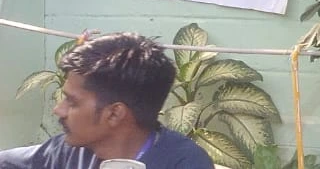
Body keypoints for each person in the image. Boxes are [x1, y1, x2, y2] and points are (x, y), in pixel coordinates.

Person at [0, 33, 214, 169]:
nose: (58, 110)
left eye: (72, 101)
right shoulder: (66, 151)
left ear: (114, 114)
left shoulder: (185, 163)